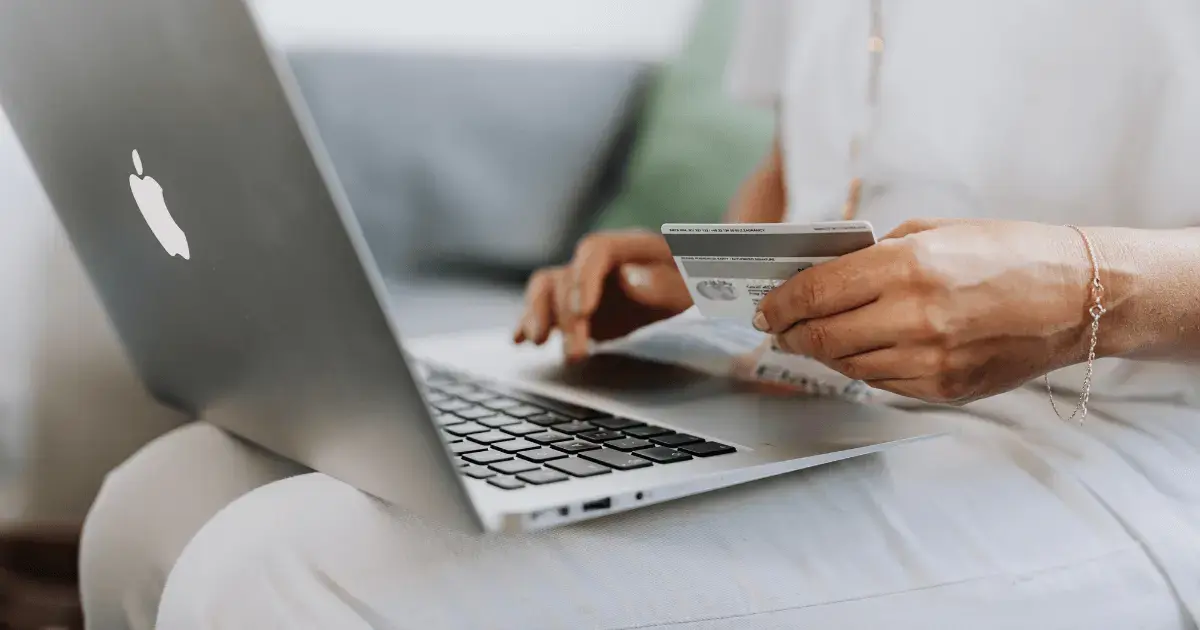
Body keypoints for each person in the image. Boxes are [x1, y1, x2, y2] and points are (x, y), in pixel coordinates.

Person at [82, 1, 1200, 628]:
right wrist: (716, 284)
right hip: (823, 397)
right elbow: (799, 162)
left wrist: (1084, 287)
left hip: (1112, 439)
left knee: (276, 578)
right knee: (160, 503)